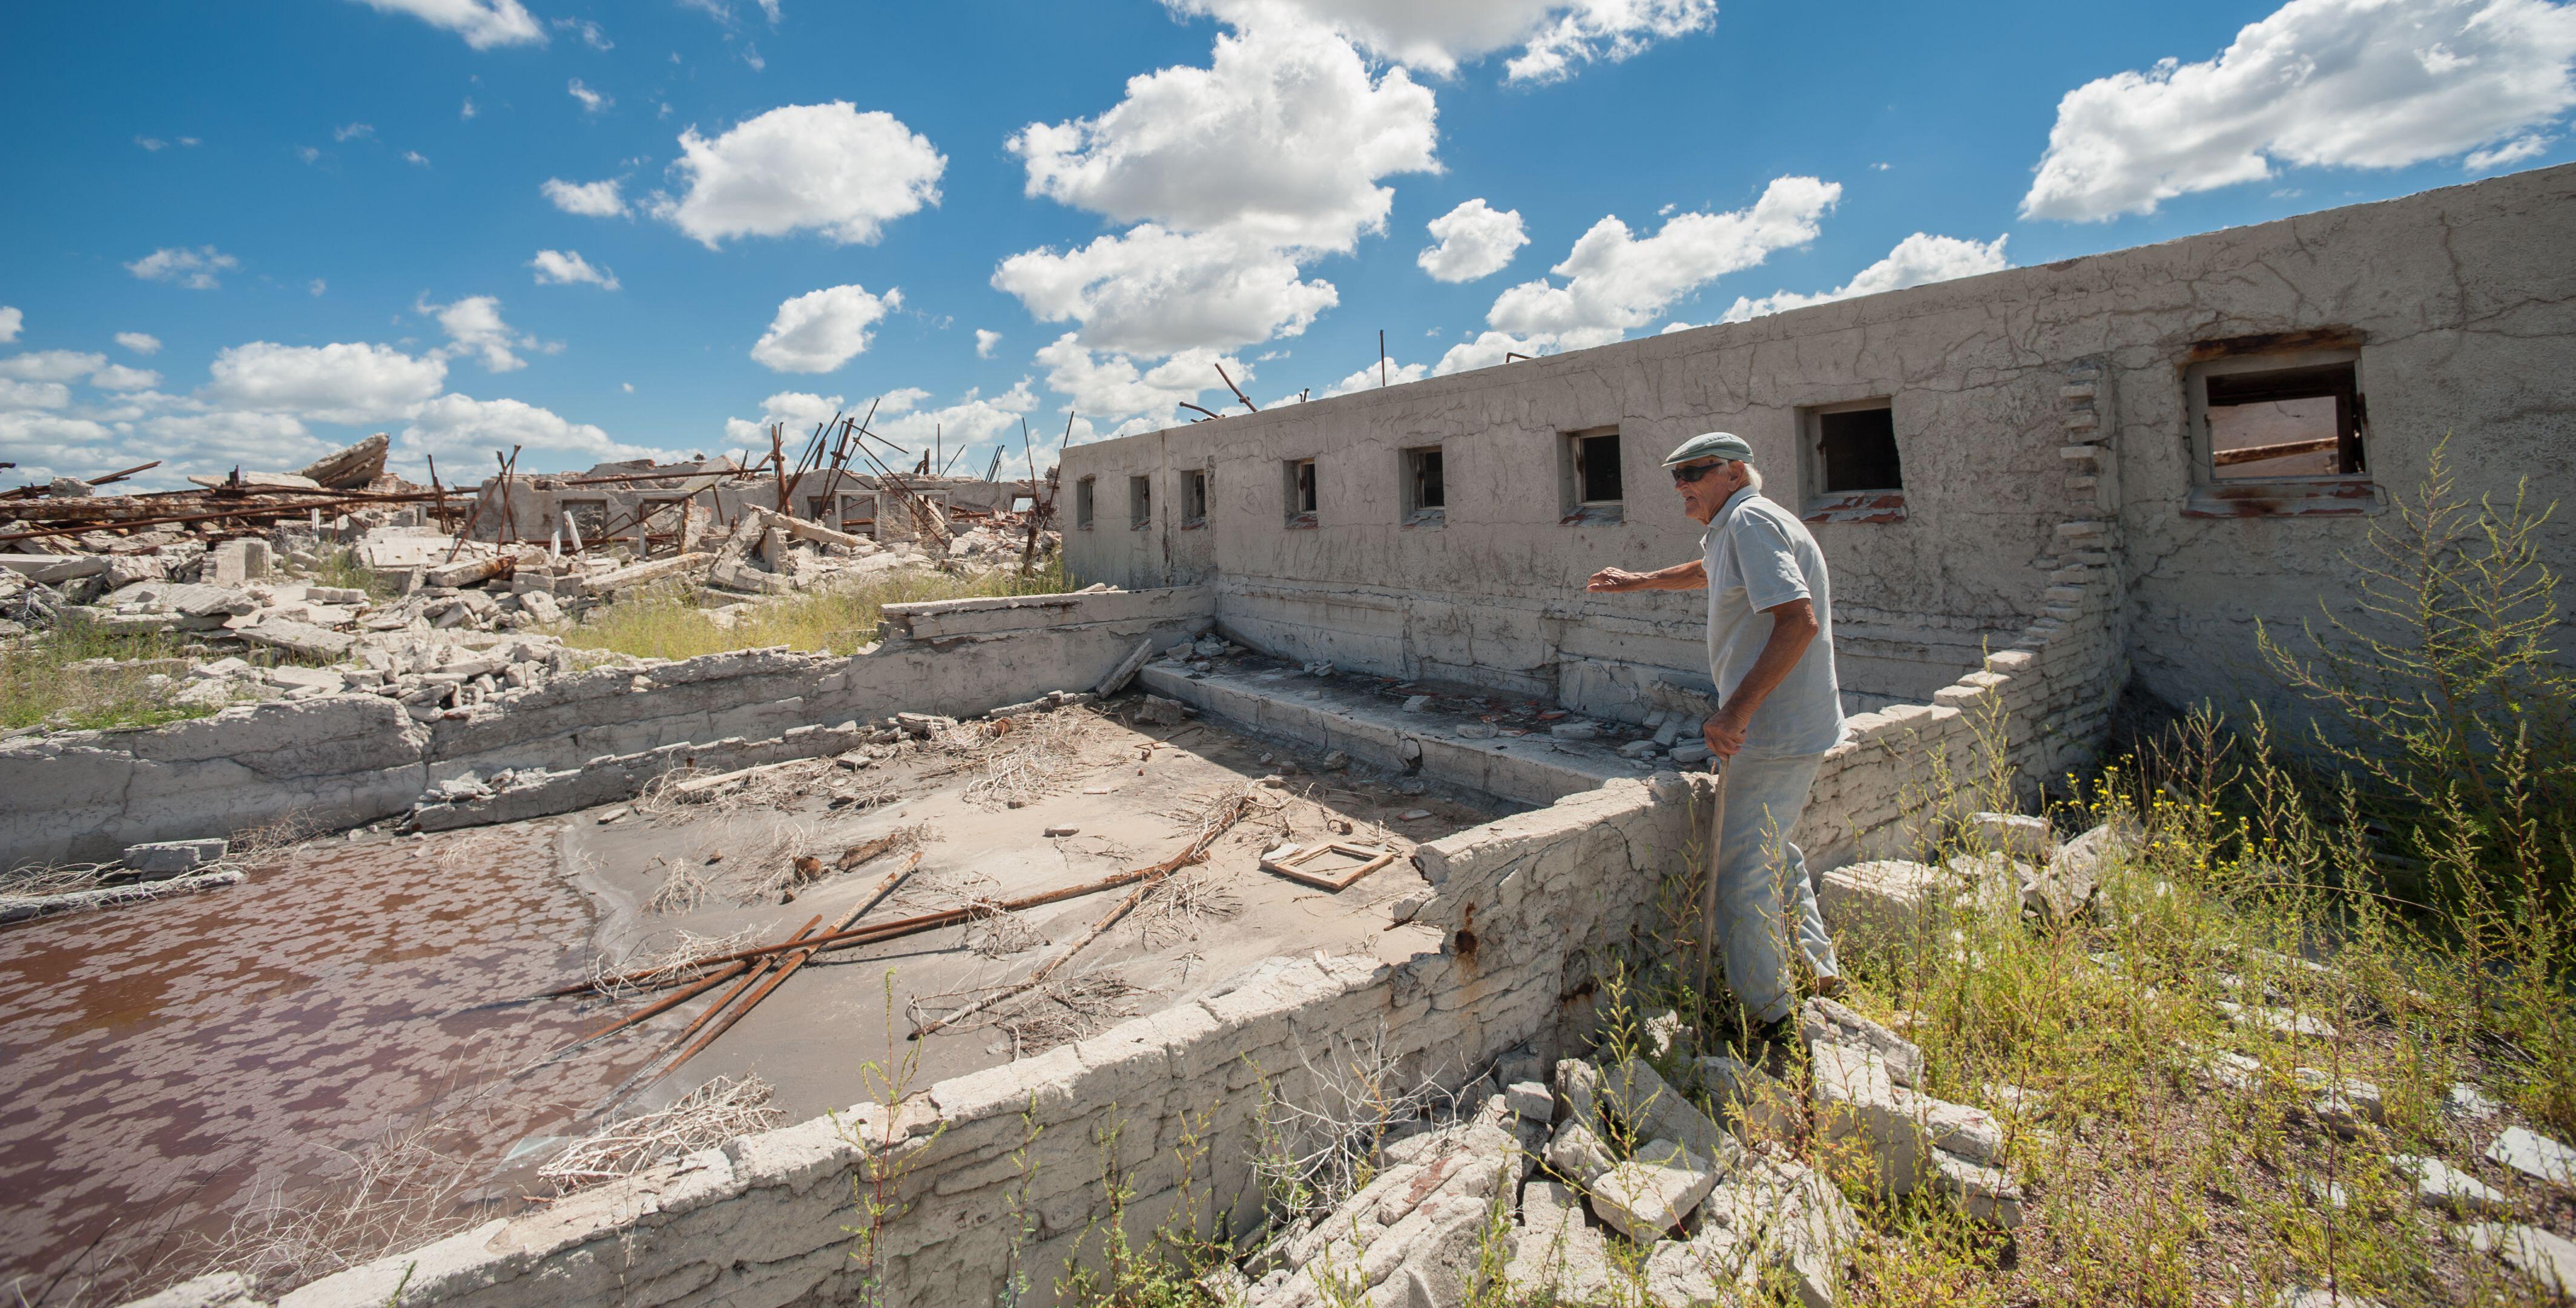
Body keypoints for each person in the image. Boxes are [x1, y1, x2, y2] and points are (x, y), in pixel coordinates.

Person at [1586, 431, 1845, 1044]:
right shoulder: (1736, 528)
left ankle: (1770, 1016)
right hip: (1786, 723)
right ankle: (1817, 969)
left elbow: (1797, 620)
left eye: (1695, 472)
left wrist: (1735, 712)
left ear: (1733, 472)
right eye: (1676, 474)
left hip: (1773, 728)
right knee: (1770, 845)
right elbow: (1709, 572)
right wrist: (1640, 580)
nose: (1682, 484)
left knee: (1740, 871)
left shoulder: (1750, 521)